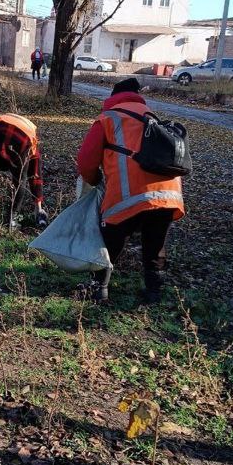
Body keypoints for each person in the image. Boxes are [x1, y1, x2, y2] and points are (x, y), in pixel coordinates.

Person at [76, 77, 185, 303]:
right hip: (168, 194)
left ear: (112, 98)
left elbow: (86, 162)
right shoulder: (152, 118)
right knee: (155, 244)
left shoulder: (108, 118)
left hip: (128, 196)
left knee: (110, 240)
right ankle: (154, 293)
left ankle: (99, 288)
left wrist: (95, 180)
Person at [0, 113, 48, 229]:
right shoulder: (32, 138)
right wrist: (38, 206)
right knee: (19, 181)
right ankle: (11, 221)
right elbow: (35, 174)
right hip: (21, 141)